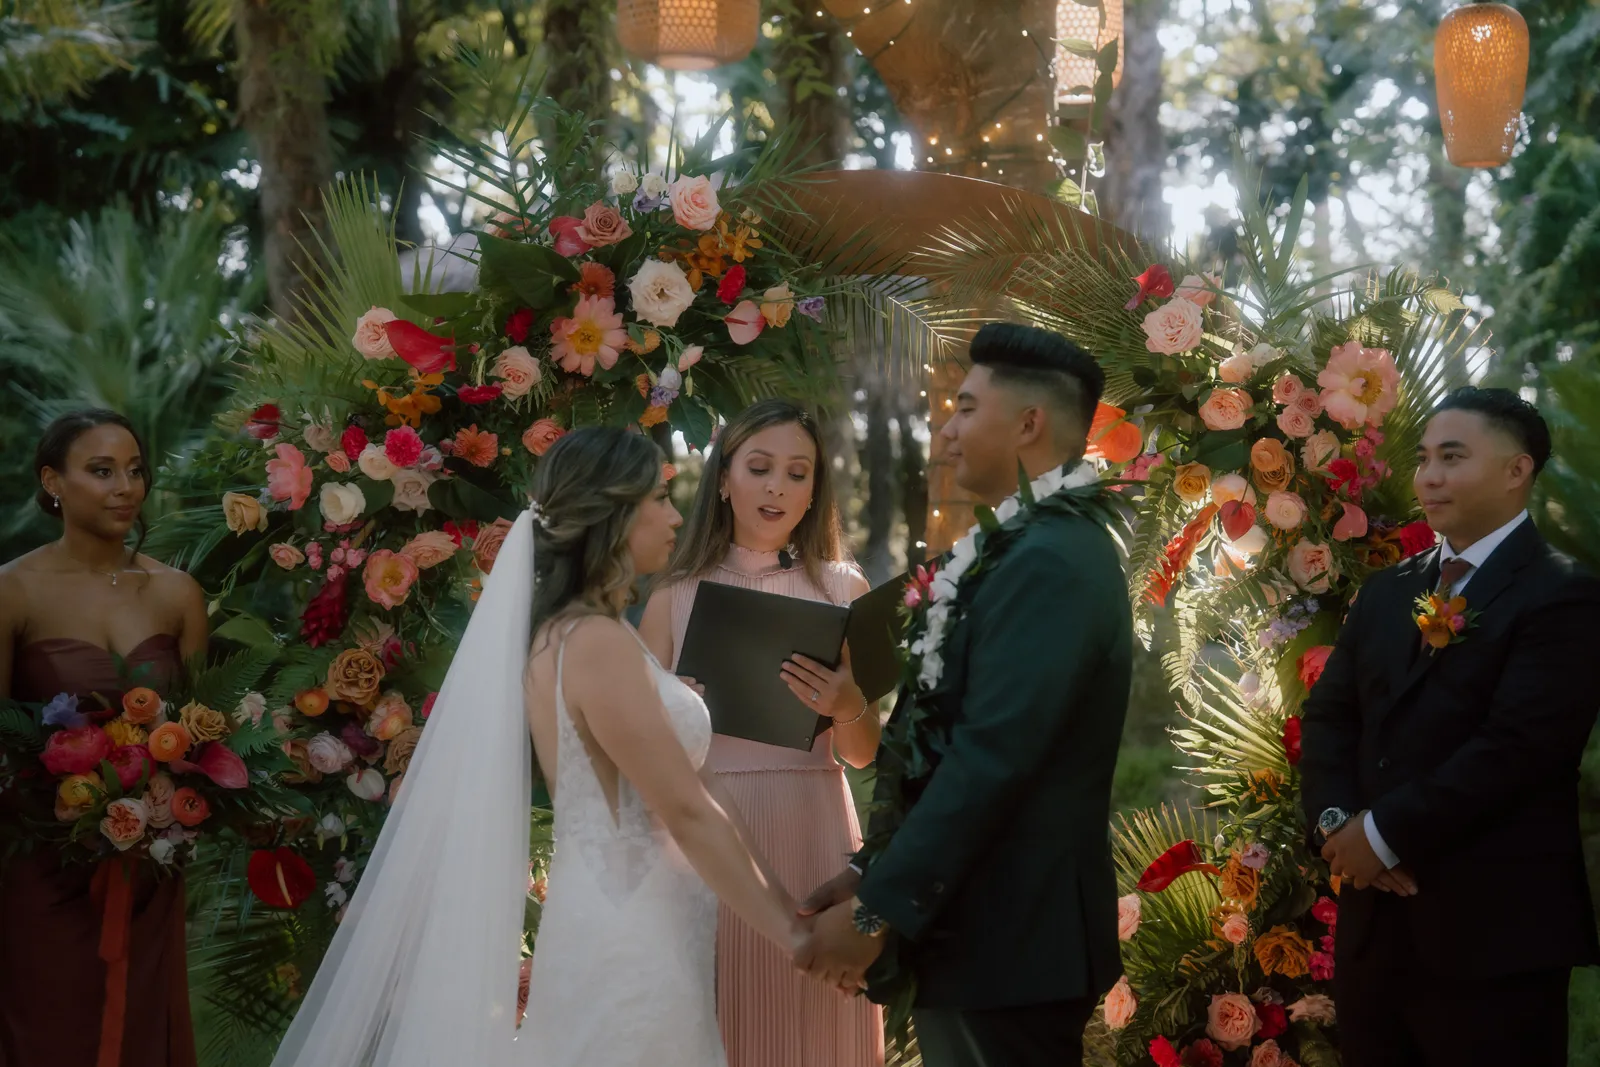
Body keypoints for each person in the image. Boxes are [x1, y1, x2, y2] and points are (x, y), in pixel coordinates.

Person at [270, 426, 808, 1067]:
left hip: (630, 920)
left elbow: (698, 794)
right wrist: (798, 938)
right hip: (630, 940)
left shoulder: (586, 634)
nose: (674, 516)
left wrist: (791, 910)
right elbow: (687, 810)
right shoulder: (595, 643)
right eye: (659, 500)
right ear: (612, 513)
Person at [797, 323, 1132, 1067]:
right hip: (979, 934)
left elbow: (993, 756)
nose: (946, 430)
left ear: (1029, 423)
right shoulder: (1019, 549)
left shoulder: (1053, 561)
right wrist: (870, 871)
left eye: (967, 409)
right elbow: (941, 743)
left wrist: (876, 911)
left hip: (1012, 940)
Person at [1301, 387, 1600, 1067]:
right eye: (1424, 458)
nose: (1429, 476)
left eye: (1453, 457)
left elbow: (1518, 749)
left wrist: (1383, 835)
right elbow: (1330, 716)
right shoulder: (1387, 590)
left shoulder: (1563, 592)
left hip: (1493, 938)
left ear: (1517, 470)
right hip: (1375, 935)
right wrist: (1339, 827)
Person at [640, 398, 885, 1067]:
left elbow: (864, 754)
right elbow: (637, 750)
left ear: (813, 491)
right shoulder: (675, 592)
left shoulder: (844, 589)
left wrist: (846, 703)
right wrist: (676, 711)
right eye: (759, 467)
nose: (777, 486)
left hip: (816, 825)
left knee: (817, 1023)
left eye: (797, 472)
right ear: (723, 479)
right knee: (719, 1018)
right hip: (708, 833)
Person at [0, 409, 208, 1067]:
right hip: (40, 865)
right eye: (101, 470)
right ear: (51, 481)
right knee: (46, 1030)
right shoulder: (12, 592)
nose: (125, 487)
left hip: (148, 866)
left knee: (143, 1027)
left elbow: (202, 733)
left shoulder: (177, 593)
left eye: (135, 470)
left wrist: (168, 805)